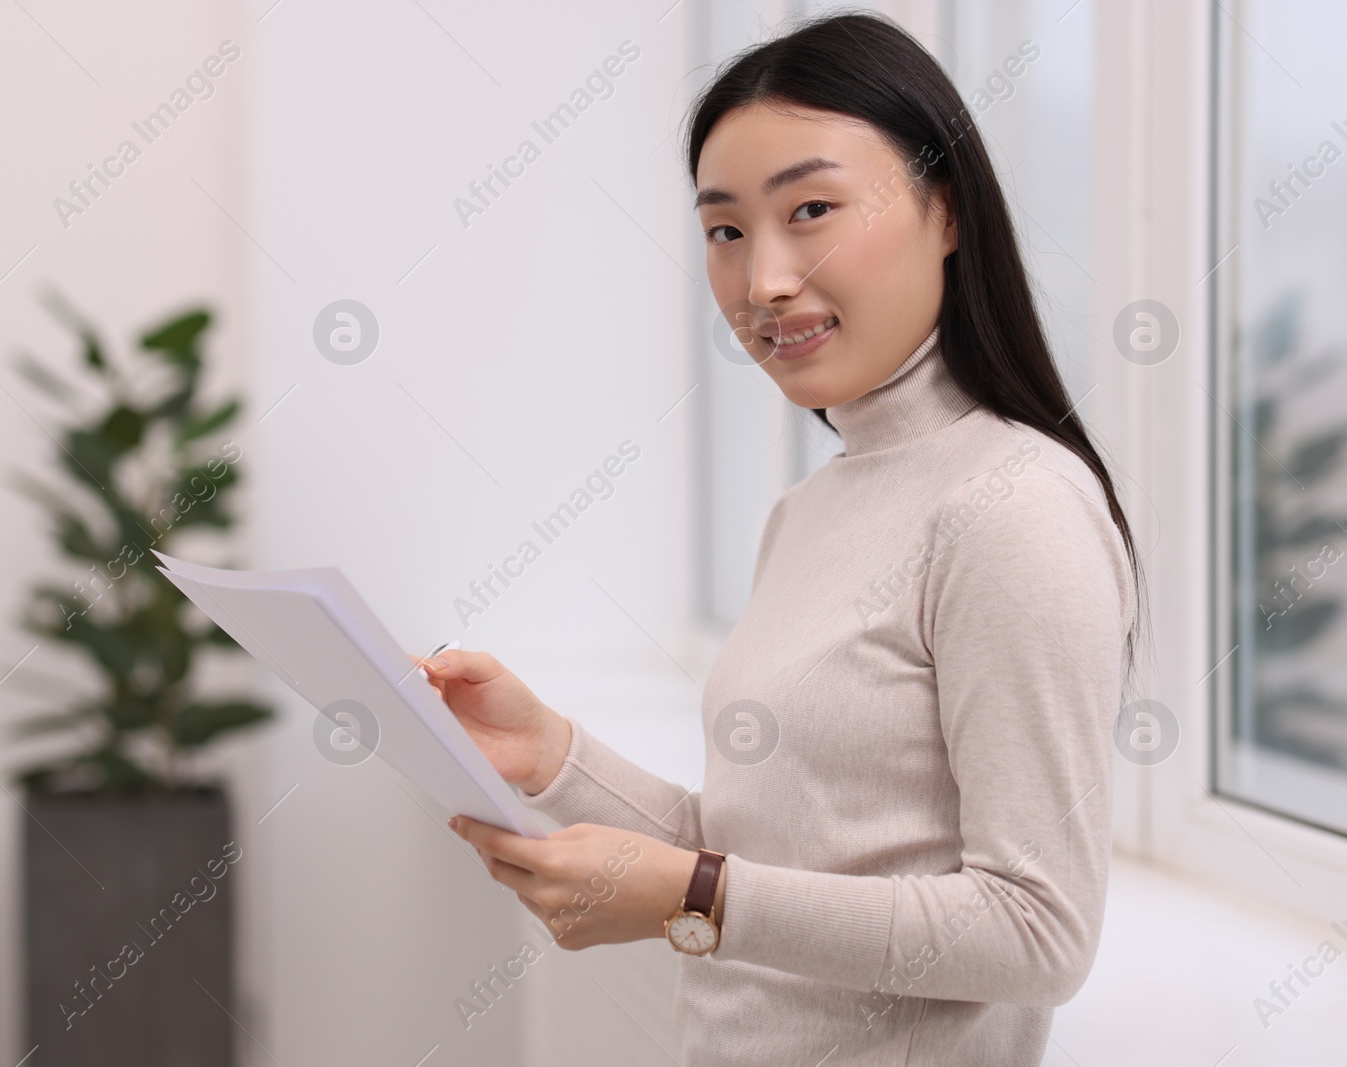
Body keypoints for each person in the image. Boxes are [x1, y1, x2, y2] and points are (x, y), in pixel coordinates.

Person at [414, 12, 1145, 1065]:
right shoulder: (810, 509)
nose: (763, 282)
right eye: (726, 230)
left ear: (946, 210)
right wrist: (550, 754)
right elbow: (771, 856)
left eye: (811, 210)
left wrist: (695, 896)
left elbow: (1037, 933)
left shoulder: (1015, 504)